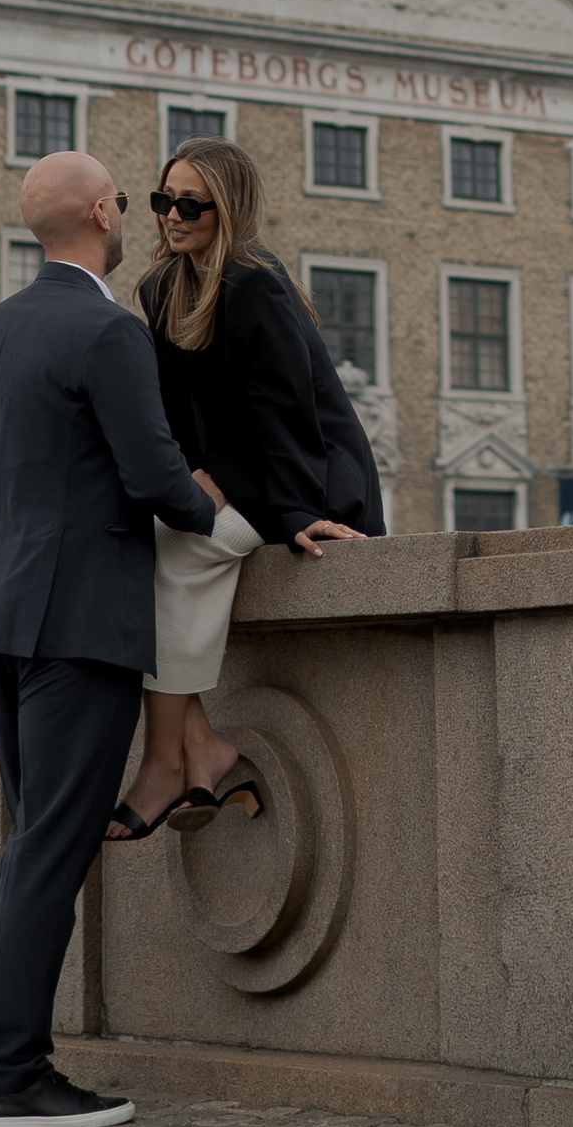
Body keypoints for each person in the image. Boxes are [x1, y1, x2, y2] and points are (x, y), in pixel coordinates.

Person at [0, 149, 215, 1127]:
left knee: (29, 843)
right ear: (103, 211)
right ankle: (15, 1075)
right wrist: (211, 500)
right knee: (53, 846)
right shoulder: (106, 330)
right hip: (78, 621)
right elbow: (156, 481)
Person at [106, 138, 384, 840]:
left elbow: (288, 409)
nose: (173, 214)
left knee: (180, 548)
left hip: (304, 476)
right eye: (164, 199)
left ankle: (169, 759)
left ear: (225, 208)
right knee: (147, 539)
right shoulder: (161, 287)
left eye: (190, 203)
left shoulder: (256, 281)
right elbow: (172, 410)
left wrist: (297, 512)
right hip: (232, 476)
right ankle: (194, 748)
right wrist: (185, 473)